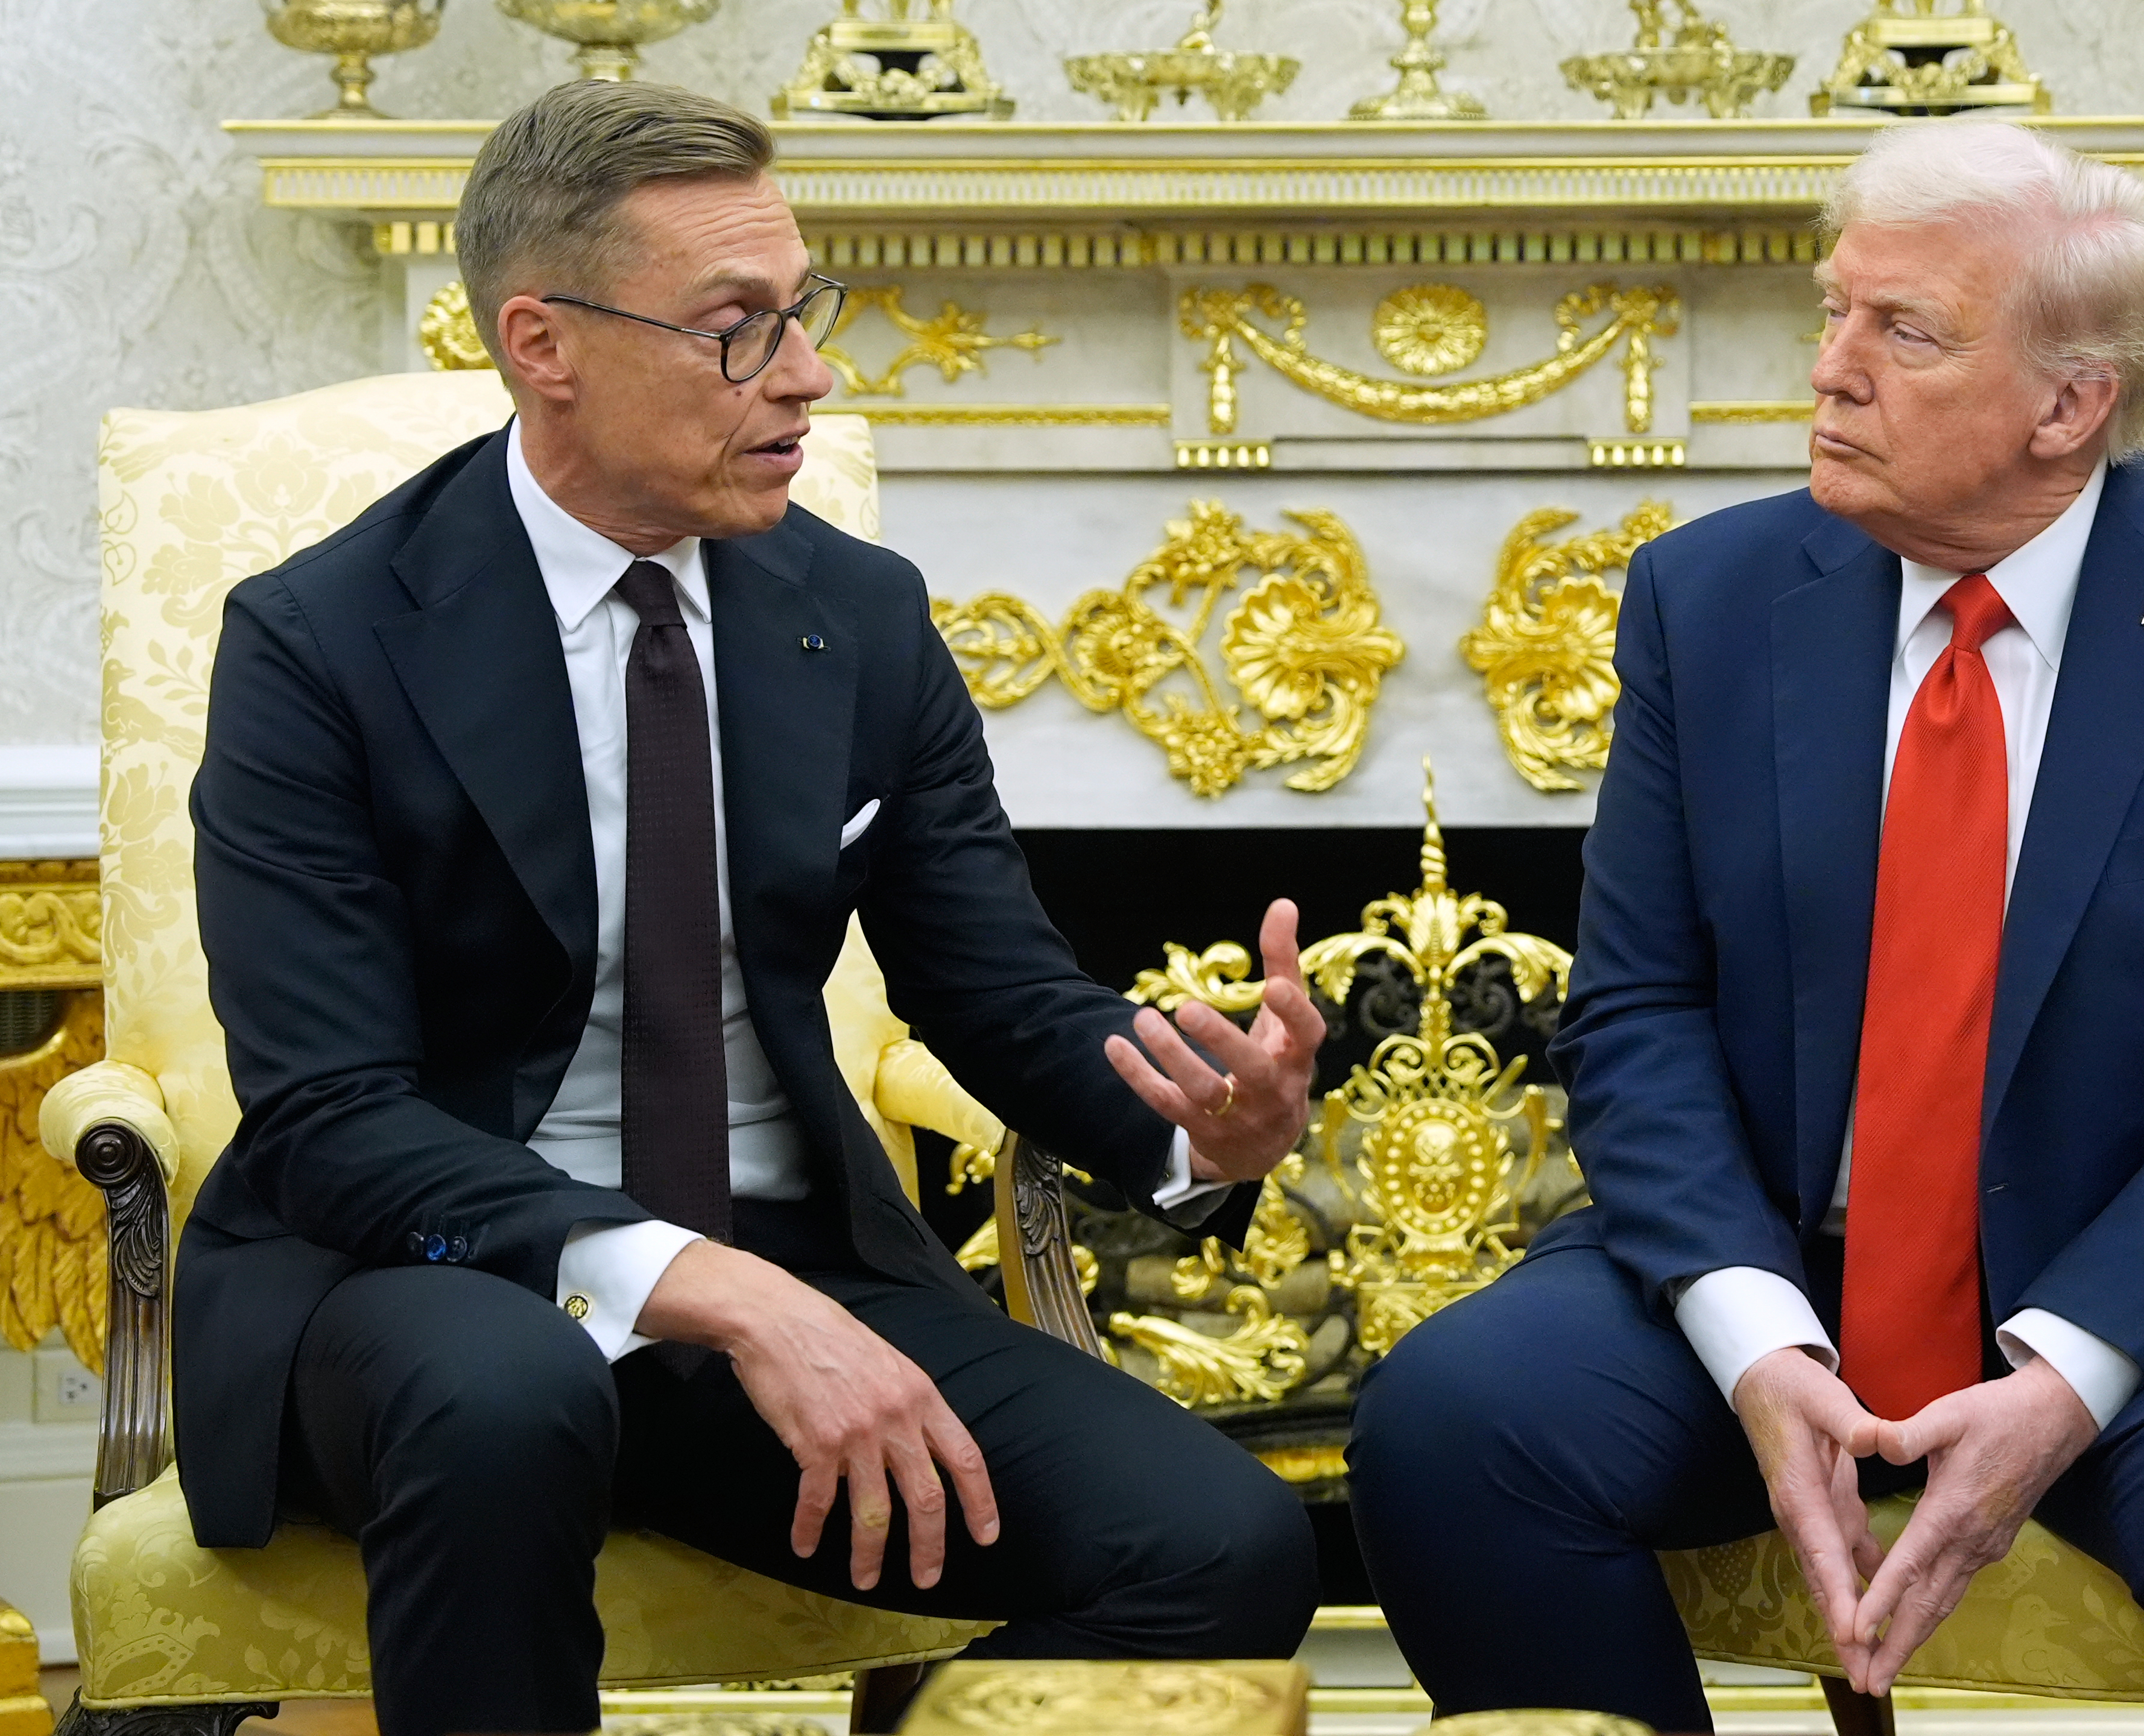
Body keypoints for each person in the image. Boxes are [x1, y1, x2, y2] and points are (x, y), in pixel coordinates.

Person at [179, 80, 1326, 1736]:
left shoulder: (854, 615)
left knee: (1222, 1544)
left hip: (795, 1263)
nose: (807, 376)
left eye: (803, 313)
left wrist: (1193, 1127)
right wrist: (707, 1287)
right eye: (737, 330)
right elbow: (332, 1120)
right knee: (508, 1396)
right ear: (543, 342)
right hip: (428, 1281)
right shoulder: (324, 643)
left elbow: (994, 985)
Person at [1349, 120, 2144, 1736]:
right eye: (1834, 313)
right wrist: (1753, 1340)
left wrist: (2071, 1367)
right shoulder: (1711, 599)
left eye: (1903, 333)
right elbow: (1641, 1011)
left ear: (2070, 402)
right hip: (1781, 1245)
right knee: (1451, 1428)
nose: (1828, 371)